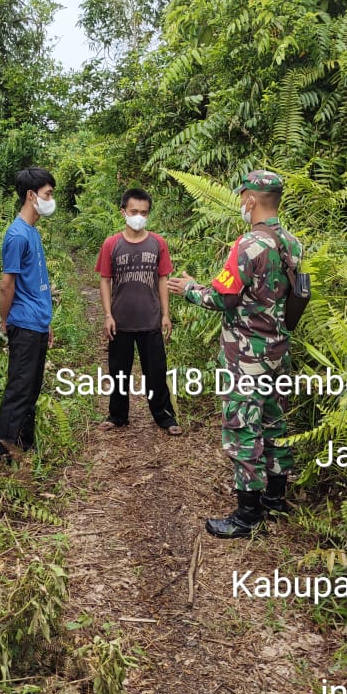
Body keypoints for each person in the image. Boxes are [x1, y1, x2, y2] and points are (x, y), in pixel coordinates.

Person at [168, 170, 303, 537]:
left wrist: (190, 288)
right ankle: (276, 499)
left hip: (246, 356)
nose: (241, 202)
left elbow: (223, 296)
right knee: (275, 423)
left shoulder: (247, 245)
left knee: (243, 427)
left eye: (243, 196)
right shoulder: (292, 243)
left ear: (250, 200)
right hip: (278, 351)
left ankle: (247, 515)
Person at [95, 188, 181, 435]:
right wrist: (108, 315)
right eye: (134, 211)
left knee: (156, 371)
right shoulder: (111, 244)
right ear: (123, 212)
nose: (139, 216)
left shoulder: (157, 243)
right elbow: (104, 280)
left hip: (151, 319)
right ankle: (117, 415)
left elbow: (163, 279)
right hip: (120, 321)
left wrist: (165, 314)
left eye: (144, 212)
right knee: (118, 371)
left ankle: (165, 417)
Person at [0, 167, 56, 460]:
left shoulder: (32, 232)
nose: (50, 199)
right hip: (24, 325)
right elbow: (7, 285)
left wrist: (47, 323)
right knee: (19, 392)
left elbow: (36, 283)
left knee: (30, 391)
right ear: (31, 196)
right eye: (48, 194)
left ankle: (24, 447)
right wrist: (5, 321)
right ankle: (3, 456)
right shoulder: (17, 235)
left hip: (37, 323)